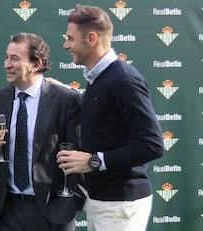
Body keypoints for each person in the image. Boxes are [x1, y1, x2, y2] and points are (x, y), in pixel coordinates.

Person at [56, 5, 164, 231]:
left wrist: (94, 161)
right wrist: (66, 91)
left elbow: (152, 145)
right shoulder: (99, 78)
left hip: (121, 205)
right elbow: (106, 115)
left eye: (70, 38)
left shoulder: (124, 80)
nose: (66, 45)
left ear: (91, 38)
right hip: (101, 201)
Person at [0, 32, 85, 231]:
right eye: (6, 57)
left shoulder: (66, 100)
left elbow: (79, 155)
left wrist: (70, 204)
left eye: (14, 58)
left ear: (36, 64)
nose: (7, 64)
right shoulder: (0, 98)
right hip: (10, 209)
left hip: (53, 211)